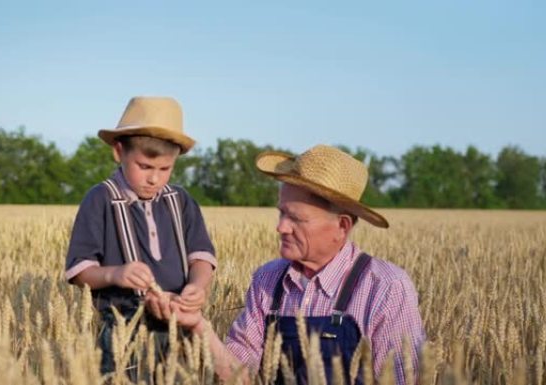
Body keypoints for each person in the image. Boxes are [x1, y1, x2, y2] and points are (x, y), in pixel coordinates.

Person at [163, 144, 425, 385]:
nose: (281, 227)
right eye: (281, 213)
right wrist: (198, 325)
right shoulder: (268, 280)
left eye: (296, 218)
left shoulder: (386, 287)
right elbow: (240, 376)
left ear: (341, 226)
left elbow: (404, 379)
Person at [64, 96, 217, 374]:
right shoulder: (100, 199)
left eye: (164, 169)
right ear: (119, 152)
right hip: (121, 330)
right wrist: (115, 274)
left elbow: (201, 258)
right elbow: (79, 270)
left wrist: (198, 287)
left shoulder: (181, 200)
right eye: (145, 167)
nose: (154, 179)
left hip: (179, 324)